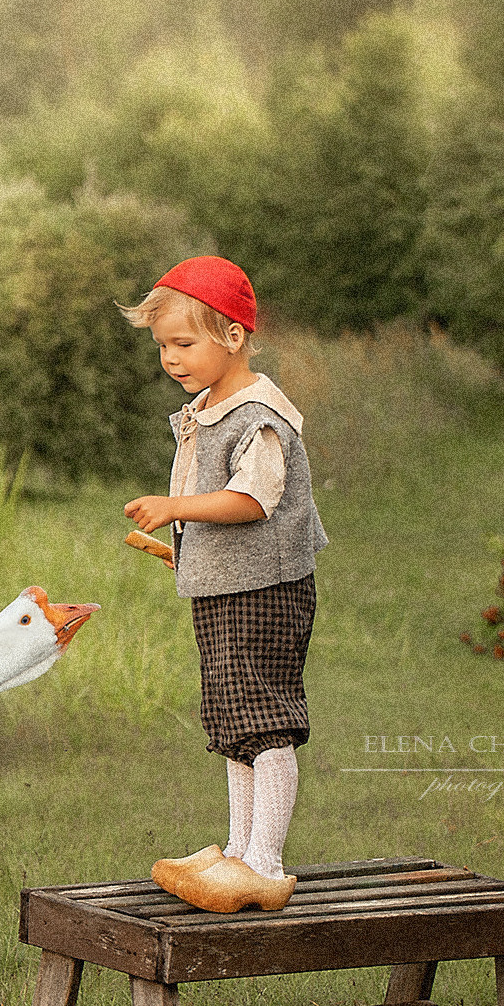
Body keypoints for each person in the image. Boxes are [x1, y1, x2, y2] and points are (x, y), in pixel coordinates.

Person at [120, 256, 328, 913]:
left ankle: (265, 862)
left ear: (234, 336)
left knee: (265, 720)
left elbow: (250, 500)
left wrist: (175, 510)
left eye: (184, 343)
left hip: (264, 591)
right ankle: (238, 853)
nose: (171, 359)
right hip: (226, 589)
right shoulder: (209, 408)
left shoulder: (258, 416)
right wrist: (186, 551)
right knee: (234, 721)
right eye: (162, 346)